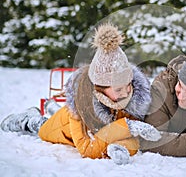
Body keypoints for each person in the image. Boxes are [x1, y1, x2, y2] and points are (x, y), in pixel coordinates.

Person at [1, 23, 161, 164]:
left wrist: (120, 146)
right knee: (43, 128)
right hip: (61, 130)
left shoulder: (128, 97)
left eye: (128, 85)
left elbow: (131, 138)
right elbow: (88, 149)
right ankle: (28, 120)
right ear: (100, 89)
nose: (127, 92)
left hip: (85, 125)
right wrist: (128, 126)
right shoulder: (80, 107)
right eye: (119, 89)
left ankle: (52, 108)